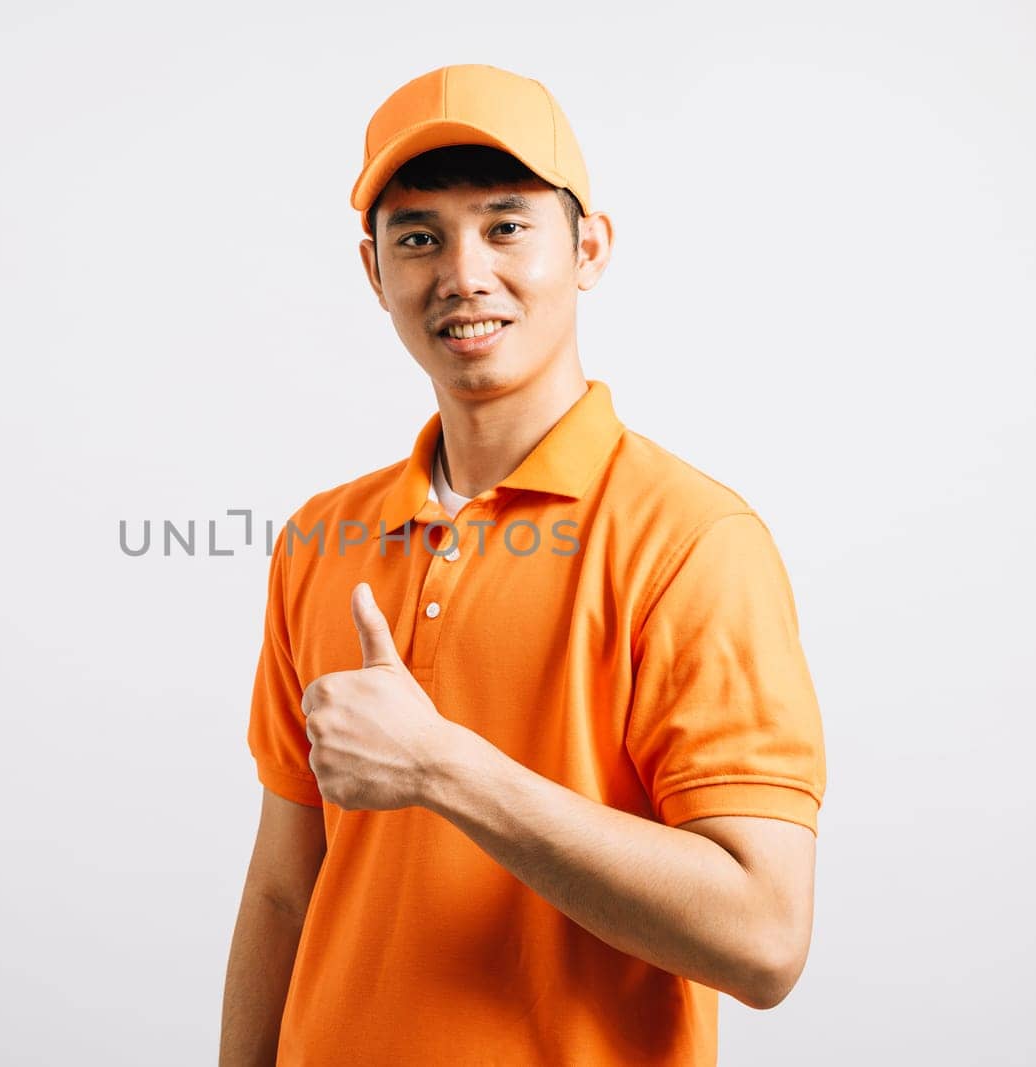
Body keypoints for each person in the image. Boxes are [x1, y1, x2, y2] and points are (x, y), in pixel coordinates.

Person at [219, 63, 827, 1067]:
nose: (463, 272)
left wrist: (446, 766)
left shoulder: (691, 540)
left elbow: (764, 939)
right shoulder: (321, 538)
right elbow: (285, 886)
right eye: (418, 236)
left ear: (587, 249)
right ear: (374, 275)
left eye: (505, 225)